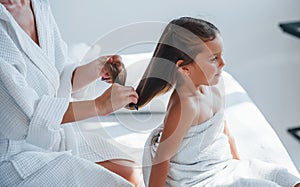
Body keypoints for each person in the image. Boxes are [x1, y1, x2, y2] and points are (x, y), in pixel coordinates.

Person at [132, 17, 300, 186]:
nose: (223, 63)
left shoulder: (216, 86)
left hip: (224, 167)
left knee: (279, 174)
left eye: (221, 55)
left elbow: (224, 131)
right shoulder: (185, 106)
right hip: (200, 180)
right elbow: (162, 158)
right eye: (214, 59)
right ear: (185, 68)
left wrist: (239, 166)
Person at [0, 0, 140, 186]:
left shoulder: (39, 5)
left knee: (131, 173)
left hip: (52, 138)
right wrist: (99, 105)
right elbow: (23, 119)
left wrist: (96, 68)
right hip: (13, 155)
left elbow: (57, 74)